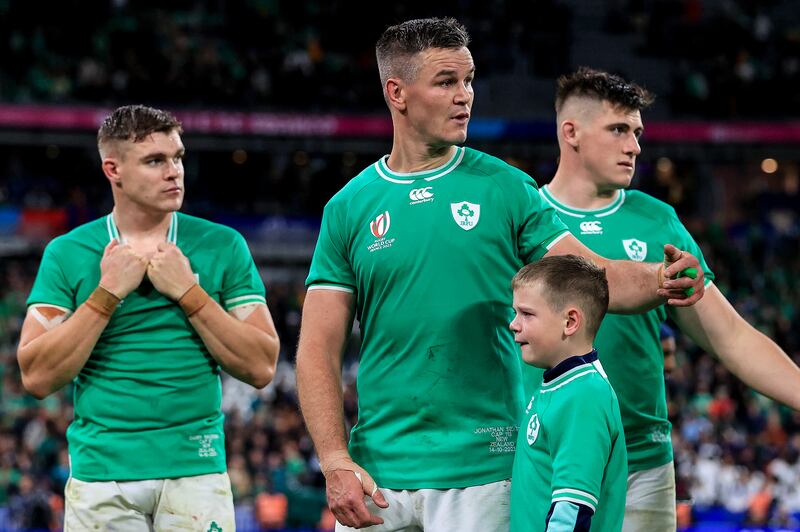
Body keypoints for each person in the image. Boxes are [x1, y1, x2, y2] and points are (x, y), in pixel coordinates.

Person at [295, 18, 704, 532]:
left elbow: (590, 276)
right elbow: (316, 349)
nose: (465, 95)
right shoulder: (349, 208)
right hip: (377, 475)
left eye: (469, 80)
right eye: (446, 82)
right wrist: (334, 461)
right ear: (396, 93)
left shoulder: (506, 188)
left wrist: (659, 278)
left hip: (486, 472)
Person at [541, 67, 800, 531]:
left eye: (637, 132)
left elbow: (732, 338)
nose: (635, 146)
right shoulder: (525, 217)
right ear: (571, 132)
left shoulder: (658, 220)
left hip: (644, 467)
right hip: (544, 461)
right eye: (619, 129)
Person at [16, 105, 281, 530]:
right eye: (155, 161)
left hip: (195, 469)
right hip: (103, 476)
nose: (173, 171)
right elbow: (37, 375)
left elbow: (261, 365)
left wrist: (189, 292)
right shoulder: (67, 253)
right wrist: (106, 294)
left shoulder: (222, 245)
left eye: (177, 157)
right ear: (113, 169)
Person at [509, 255, 626, 532]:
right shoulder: (561, 383)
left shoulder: (584, 395)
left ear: (570, 322)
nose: (514, 324)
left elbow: (572, 510)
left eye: (526, 314)